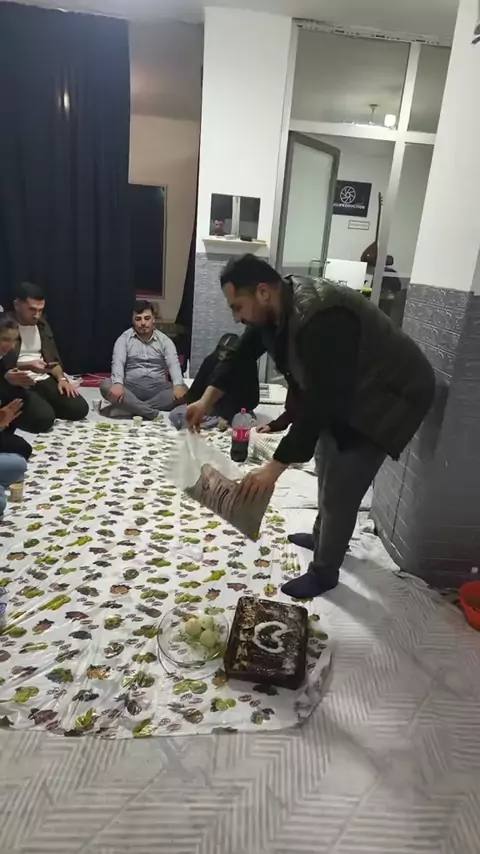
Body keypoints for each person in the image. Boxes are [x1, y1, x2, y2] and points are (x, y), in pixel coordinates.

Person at [186, 254, 435, 600]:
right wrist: (204, 401)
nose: (236, 317)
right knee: (325, 463)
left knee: (341, 485)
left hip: (388, 396)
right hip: (350, 387)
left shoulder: (323, 318)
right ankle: (324, 538)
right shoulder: (272, 311)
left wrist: (274, 467)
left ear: (262, 291)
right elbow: (240, 355)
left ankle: (324, 572)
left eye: (237, 306)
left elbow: (321, 401)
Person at [0, 283, 89, 433]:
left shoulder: (42, 325)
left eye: (40, 310)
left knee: (79, 409)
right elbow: (4, 364)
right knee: (44, 420)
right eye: (32, 309)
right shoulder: (5, 326)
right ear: (17, 305)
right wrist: (27, 366)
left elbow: (53, 359)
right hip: (17, 382)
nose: (36, 315)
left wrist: (62, 379)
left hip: (42, 377)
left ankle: (43, 404)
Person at [101, 301, 186, 419]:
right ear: (133, 321)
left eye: (147, 318)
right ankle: (150, 412)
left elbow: (173, 364)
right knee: (106, 385)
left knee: (184, 389)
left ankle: (132, 408)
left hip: (158, 389)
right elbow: (118, 363)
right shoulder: (124, 339)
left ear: (153, 319)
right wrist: (117, 384)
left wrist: (178, 386)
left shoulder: (165, 341)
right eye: (138, 319)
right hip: (131, 387)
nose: (143, 323)